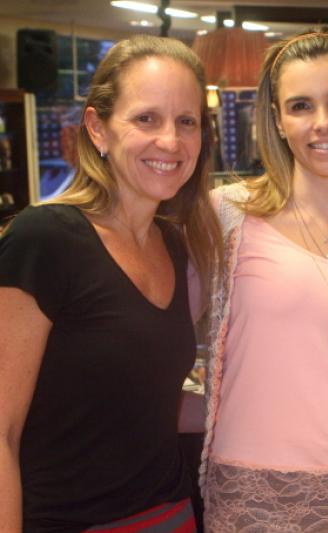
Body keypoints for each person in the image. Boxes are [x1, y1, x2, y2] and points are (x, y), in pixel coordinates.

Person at [196, 30, 328, 532]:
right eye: (300, 106)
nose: (323, 122)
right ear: (277, 119)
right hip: (257, 496)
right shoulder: (225, 215)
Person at [0, 35, 221, 532]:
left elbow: (145, 402)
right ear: (98, 128)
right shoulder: (45, 239)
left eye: (187, 122)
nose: (171, 141)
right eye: (147, 118)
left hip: (170, 514)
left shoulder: (175, 244)